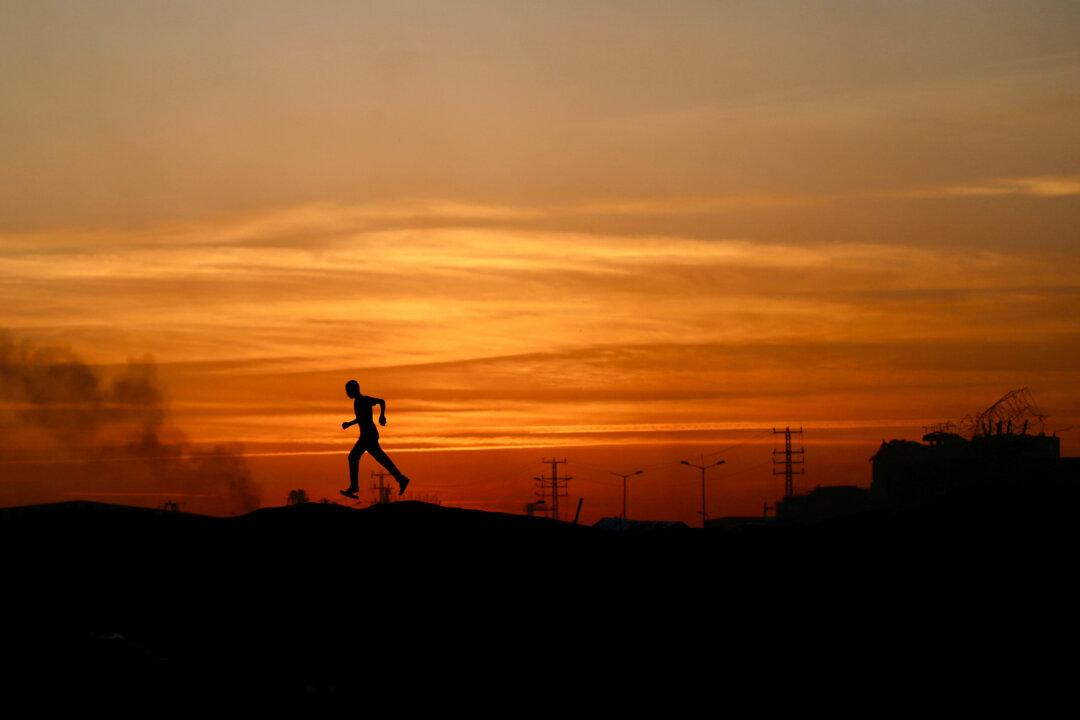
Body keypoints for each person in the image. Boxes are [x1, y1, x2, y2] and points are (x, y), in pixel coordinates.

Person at [340, 379, 410, 499]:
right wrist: (350, 423)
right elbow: (375, 406)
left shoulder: (363, 400)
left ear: (354, 390)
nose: (347, 393)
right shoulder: (360, 401)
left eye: (348, 391)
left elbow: (379, 404)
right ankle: (401, 479)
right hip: (367, 434)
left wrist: (382, 415)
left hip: (368, 435)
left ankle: (354, 487)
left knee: (353, 457)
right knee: (381, 459)